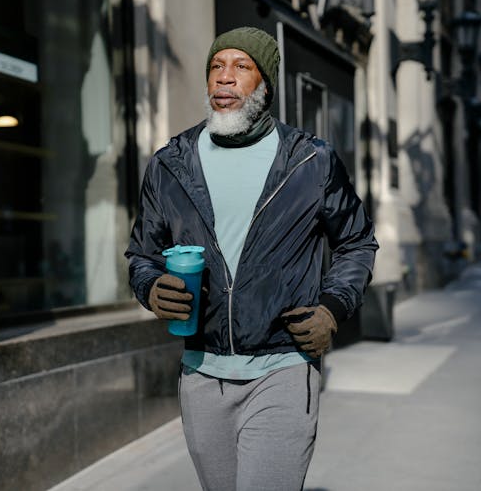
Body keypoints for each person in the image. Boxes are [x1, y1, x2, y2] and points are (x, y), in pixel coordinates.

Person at [125, 26, 378, 491]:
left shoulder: (311, 161)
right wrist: (150, 286)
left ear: (264, 84)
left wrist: (332, 308)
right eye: (217, 67)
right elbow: (143, 254)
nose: (225, 78)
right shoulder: (170, 164)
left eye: (241, 67)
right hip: (201, 372)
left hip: (283, 366)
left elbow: (357, 242)